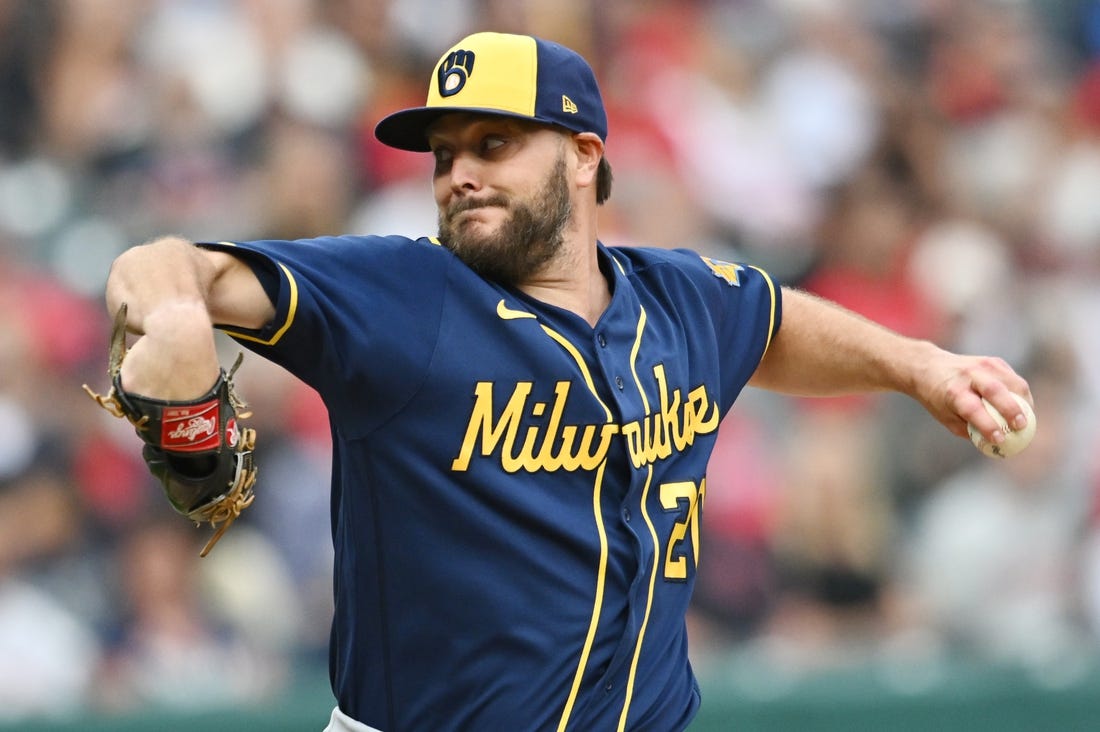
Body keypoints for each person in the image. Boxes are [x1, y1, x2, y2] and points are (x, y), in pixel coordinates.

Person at [99, 31, 1033, 732]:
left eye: (494, 144)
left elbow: (775, 323)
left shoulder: (679, 300)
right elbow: (171, 267)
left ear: (585, 156)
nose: (459, 173)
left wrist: (920, 367)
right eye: (445, 154)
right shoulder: (403, 296)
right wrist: (177, 319)